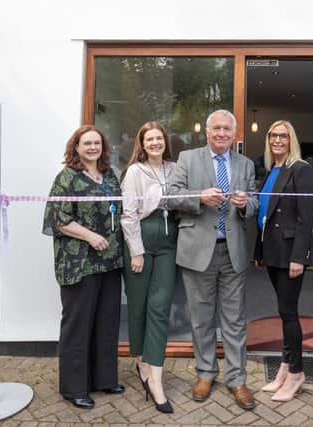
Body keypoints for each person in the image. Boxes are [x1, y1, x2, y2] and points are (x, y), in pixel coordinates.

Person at [168, 109, 258, 410]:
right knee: (201, 319)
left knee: (234, 320)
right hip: (197, 252)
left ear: (234, 134)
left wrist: (247, 204)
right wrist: (199, 197)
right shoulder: (188, 158)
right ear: (207, 131)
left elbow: (256, 201)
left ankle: (237, 379)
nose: (221, 134)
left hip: (233, 253)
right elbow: (170, 196)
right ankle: (205, 373)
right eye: (216, 128)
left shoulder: (245, 164)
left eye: (227, 129)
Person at [42, 125, 125, 409]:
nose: (92, 147)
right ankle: (74, 387)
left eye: (97, 143)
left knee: (106, 321)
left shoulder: (110, 175)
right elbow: (57, 218)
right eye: (86, 143)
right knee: (78, 325)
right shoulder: (66, 178)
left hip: (110, 262)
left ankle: (104, 379)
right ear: (76, 147)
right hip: (79, 264)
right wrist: (90, 236)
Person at [254, 120, 313, 401]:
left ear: (291, 139)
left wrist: (299, 257)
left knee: (289, 314)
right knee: (283, 312)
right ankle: (284, 367)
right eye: (273, 135)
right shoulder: (272, 170)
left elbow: (306, 218)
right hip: (273, 252)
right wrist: (259, 251)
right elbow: (265, 215)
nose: (277, 140)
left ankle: (297, 373)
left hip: (290, 253)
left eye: (283, 135)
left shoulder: (301, 170)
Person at [120, 121, 177, 413]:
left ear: (165, 141)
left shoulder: (175, 168)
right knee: (139, 306)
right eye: (149, 139)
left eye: (159, 138)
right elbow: (128, 214)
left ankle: (155, 377)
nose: (155, 143)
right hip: (142, 236)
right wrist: (136, 251)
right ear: (141, 144)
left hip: (169, 240)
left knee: (160, 305)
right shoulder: (134, 171)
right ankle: (141, 360)